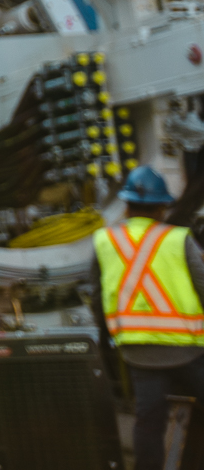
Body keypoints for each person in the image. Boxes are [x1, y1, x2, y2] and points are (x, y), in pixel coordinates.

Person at [90, 165, 204, 469]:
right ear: (162, 207)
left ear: (126, 205)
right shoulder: (178, 239)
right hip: (189, 351)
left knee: (148, 422)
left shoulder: (105, 241)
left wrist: (109, 348)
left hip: (138, 353)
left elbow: (98, 302)